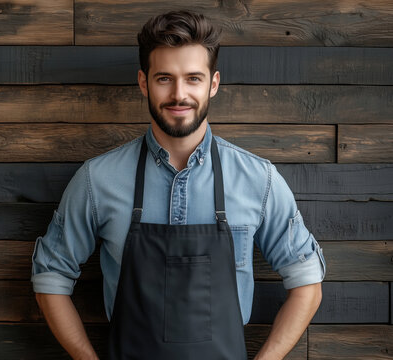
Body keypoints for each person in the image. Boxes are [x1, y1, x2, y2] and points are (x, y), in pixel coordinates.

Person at [31, 10, 325, 360]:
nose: (179, 94)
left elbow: (307, 281)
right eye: (164, 79)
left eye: (193, 78)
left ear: (213, 84)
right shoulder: (98, 179)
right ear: (144, 82)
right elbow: (50, 277)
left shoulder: (257, 179)